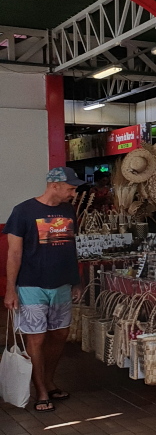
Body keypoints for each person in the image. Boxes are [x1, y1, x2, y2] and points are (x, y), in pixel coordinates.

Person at [4, 167, 85, 412]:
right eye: (70, 188)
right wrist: (10, 289)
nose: (73, 193)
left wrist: (76, 280)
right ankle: (40, 390)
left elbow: (70, 248)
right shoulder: (23, 211)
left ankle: (48, 381)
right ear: (54, 185)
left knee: (60, 335)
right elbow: (14, 254)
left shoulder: (67, 210)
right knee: (36, 338)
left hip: (61, 284)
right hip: (31, 285)